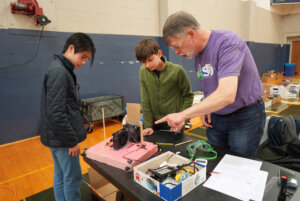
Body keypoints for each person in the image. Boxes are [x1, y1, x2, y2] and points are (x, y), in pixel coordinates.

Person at [156, 11, 266, 157]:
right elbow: (210, 85)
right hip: (216, 119)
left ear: (191, 33)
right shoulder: (197, 55)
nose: (176, 52)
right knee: (216, 162)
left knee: (240, 166)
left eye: (177, 46)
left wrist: (183, 115)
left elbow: (227, 94)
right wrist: (205, 106)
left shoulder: (228, 42)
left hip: (245, 117)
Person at [39, 32, 95, 201]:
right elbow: (56, 112)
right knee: (72, 178)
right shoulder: (59, 72)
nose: (83, 62)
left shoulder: (60, 68)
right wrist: (71, 141)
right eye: (83, 57)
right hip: (63, 139)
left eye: (87, 59)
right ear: (71, 48)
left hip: (56, 137)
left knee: (61, 175)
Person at [135, 38, 193, 136]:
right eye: (143, 62)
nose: (147, 65)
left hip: (174, 123)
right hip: (154, 123)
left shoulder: (177, 71)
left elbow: (188, 96)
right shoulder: (143, 71)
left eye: (150, 60)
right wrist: (148, 125)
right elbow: (145, 99)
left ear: (159, 53)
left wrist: (181, 119)